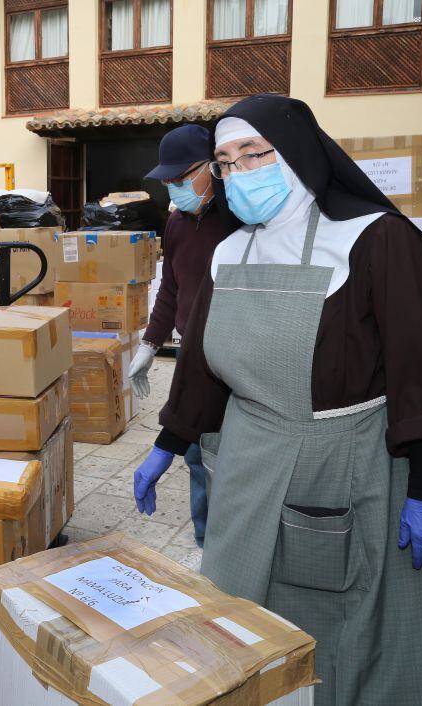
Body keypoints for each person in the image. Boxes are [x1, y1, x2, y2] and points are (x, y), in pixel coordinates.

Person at [132, 95, 422, 705]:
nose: (238, 174)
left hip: (347, 469)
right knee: (243, 627)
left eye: (252, 155)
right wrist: (169, 441)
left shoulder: (374, 241)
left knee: (352, 637)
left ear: (295, 154)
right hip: (246, 468)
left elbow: (420, 372)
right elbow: (203, 368)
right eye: (225, 162)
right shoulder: (230, 251)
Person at [128, 124, 237, 547]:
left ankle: (230, 547)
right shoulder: (175, 225)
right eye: (168, 181)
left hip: (231, 357)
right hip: (193, 356)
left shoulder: (237, 221)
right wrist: (150, 344)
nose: (174, 188)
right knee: (196, 454)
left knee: (227, 456)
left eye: (182, 177)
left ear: (213, 167)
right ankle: (205, 542)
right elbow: (170, 287)